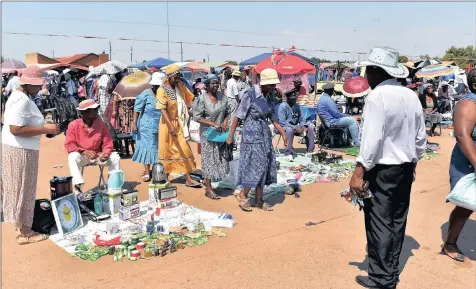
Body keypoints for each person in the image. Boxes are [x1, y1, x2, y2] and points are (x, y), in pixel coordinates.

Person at [349, 47, 427, 289]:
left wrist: (358, 172)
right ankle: (390, 271)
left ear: (375, 71)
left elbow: (372, 141)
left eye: (367, 71)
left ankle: (382, 278)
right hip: (404, 167)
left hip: (381, 169)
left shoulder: (377, 97)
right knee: (397, 219)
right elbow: (420, 136)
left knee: (379, 222)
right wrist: (414, 161)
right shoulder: (410, 95)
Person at [2, 65, 60, 244]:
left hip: (18, 148)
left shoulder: (18, 96)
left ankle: (21, 227)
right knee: (24, 189)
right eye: (37, 84)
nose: (40, 88)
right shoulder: (22, 100)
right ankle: (25, 232)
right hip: (21, 150)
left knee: (18, 188)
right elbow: (15, 129)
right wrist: (45, 128)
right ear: (28, 84)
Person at [226, 68, 287, 212]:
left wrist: (283, 133)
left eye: (274, 85)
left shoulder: (270, 96)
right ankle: (243, 194)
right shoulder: (250, 94)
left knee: (265, 165)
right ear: (263, 83)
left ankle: (259, 200)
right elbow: (239, 115)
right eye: (271, 85)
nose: (273, 88)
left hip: (264, 134)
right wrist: (231, 135)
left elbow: (273, 117)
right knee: (256, 166)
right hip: (251, 134)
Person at [442, 68, 476, 263]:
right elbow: (463, 136)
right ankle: (450, 243)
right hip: (469, 158)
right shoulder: (468, 103)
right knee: (466, 203)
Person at [156, 64, 202, 188]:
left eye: (179, 76)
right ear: (170, 76)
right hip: (167, 124)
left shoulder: (180, 86)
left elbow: (190, 99)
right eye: (176, 76)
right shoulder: (162, 90)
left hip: (180, 124)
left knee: (184, 149)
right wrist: (170, 126)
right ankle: (165, 177)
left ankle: (188, 178)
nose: (178, 78)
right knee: (167, 151)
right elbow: (162, 109)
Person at [64, 99, 121, 193]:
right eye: (93, 109)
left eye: (96, 109)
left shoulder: (101, 124)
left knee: (115, 157)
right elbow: (69, 145)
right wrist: (84, 151)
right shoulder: (73, 125)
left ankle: (113, 186)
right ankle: (78, 187)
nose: (96, 111)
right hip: (82, 156)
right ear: (84, 113)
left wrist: (106, 154)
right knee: (72, 157)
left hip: (98, 155)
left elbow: (108, 142)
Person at [192, 73, 232, 199]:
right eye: (212, 83)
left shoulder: (222, 97)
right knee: (208, 160)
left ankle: (209, 183)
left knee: (219, 158)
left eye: (216, 83)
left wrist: (225, 121)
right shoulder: (202, 99)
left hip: (220, 134)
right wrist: (212, 123)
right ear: (207, 85)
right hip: (207, 134)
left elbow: (227, 112)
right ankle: (208, 189)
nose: (215, 85)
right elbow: (197, 117)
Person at [131, 72, 165, 182]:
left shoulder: (164, 94)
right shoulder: (145, 94)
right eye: (157, 86)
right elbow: (137, 109)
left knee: (157, 148)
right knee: (148, 147)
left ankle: (157, 170)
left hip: (160, 124)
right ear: (153, 85)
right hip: (146, 125)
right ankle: (147, 171)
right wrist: (134, 123)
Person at [317, 83, 360, 147]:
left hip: (327, 121)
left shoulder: (322, 98)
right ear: (331, 90)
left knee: (348, 120)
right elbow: (336, 114)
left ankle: (347, 141)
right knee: (352, 121)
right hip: (331, 122)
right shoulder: (328, 100)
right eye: (332, 90)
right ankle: (357, 144)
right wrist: (347, 116)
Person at [278, 93, 315, 160]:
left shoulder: (297, 106)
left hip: (296, 127)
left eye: (295, 98)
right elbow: (282, 122)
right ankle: (288, 152)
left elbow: (301, 118)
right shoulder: (282, 106)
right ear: (288, 99)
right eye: (292, 99)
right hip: (284, 128)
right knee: (289, 130)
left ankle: (310, 151)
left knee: (310, 127)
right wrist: (295, 127)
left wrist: (303, 125)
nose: (294, 100)